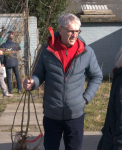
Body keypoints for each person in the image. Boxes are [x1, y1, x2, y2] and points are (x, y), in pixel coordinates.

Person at [23, 13, 103, 150]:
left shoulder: (86, 52)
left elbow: (97, 76)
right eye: (71, 31)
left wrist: (85, 98)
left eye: (77, 31)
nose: (74, 35)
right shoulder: (46, 50)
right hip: (52, 113)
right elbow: (38, 75)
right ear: (60, 30)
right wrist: (32, 83)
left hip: (75, 114)